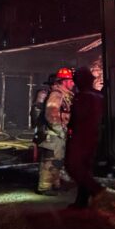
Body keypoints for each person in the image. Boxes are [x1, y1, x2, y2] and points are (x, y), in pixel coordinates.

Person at [65, 66, 107, 208]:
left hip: (82, 137)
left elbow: (77, 119)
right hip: (96, 138)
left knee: (74, 166)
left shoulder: (83, 97)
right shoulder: (99, 96)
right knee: (85, 169)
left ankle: (98, 191)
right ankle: (81, 201)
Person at [36, 67, 73, 195]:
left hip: (59, 134)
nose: (73, 83)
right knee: (50, 161)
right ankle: (44, 188)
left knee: (57, 161)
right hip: (54, 134)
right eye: (70, 80)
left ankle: (55, 184)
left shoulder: (64, 95)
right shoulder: (56, 95)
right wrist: (60, 130)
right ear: (64, 81)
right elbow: (51, 114)